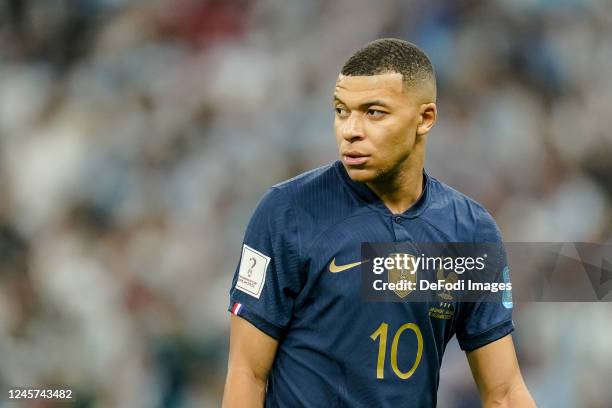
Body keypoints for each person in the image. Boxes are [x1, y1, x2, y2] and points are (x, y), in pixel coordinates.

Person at [222, 38, 535, 407]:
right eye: (341, 111)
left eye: (373, 112)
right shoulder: (287, 212)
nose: (350, 130)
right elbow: (247, 372)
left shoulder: (469, 232)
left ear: (425, 118)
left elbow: (504, 392)